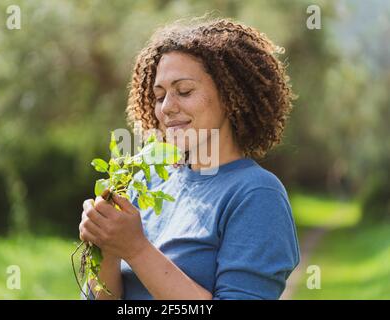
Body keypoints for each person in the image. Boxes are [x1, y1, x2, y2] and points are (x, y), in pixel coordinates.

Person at [79, 17, 300, 300]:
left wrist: (136, 249)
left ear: (231, 96)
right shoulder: (145, 183)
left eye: (184, 91)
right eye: (159, 96)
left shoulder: (257, 194)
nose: (167, 108)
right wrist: (107, 247)